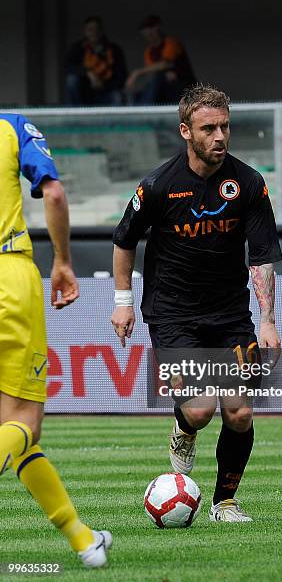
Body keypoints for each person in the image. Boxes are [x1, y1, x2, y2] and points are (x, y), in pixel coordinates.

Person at [112, 84, 282, 522]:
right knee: (202, 408)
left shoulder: (248, 183)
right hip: (173, 312)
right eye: (209, 128)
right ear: (186, 131)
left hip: (230, 314)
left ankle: (225, 502)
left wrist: (267, 320)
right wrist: (123, 301)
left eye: (225, 126)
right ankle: (183, 428)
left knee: (240, 412)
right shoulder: (157, 186)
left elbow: (260, 258)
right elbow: (124, 241)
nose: (220, 136)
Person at [0, 114, 112, 567]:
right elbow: (56, 192)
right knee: (25, 419)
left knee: (18, 433)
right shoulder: (11, 127)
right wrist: (63, 260)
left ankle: (83, 539)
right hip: (9, 276)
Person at [125, 15, 196, 105]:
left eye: (152, 28)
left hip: (183, 89)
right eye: (146, 29)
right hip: (164, 90)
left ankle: (147, 108)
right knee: (137, 96)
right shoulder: (149, 51)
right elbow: (153, 73)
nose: (149, 32)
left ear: (158, 28)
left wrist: (137, 72)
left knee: (162, 77)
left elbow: (165, 64)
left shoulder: (171, 42)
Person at [65, 16, 127, 105]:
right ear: (85, 32)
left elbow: (122, 76)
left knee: (118, 96)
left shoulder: (114, 50)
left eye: (97, 29)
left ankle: (115, 119)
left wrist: (103, 85)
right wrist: (89, 73)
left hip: (106, 93)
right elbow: (68, 67)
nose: (94, 32)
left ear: (102, 31)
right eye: (90, 30)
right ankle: (75, 116)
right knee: (71, 80)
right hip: (83, 95)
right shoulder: (77, 48)